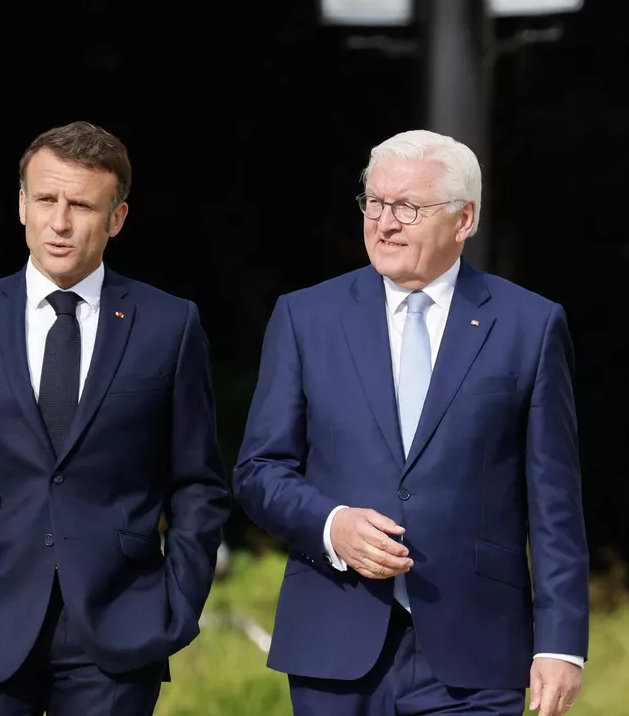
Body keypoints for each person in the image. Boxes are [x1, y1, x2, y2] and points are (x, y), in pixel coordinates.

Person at [0, 121, 232, 715]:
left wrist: (178, 603)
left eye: (82, 205)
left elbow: (199, 483)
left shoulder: (169, 325)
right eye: (45, 200)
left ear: (116, 218)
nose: (60, 222)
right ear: (21, 204)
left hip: (120, 626)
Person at [235, 129, 589, 716]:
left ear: (464, 218)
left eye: (407, 207)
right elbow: (257, 471)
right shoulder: (306, 317)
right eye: (374, 203)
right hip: (335, 637)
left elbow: (554, 502)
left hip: (475, 648)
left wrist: (561, 643)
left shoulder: (530, 324)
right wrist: (331, 525)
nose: (384, 222)